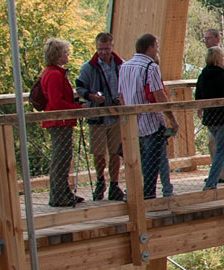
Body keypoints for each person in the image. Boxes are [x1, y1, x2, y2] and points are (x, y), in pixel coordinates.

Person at [118, 33, 176, 199]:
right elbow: (159, 95)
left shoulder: (124, 67)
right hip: (150, 122)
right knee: (153, 162)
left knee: (138, 160)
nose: (157, 50)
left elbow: (121, 96)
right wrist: (171, 118)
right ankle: (148, 195)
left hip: (132, 124)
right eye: (156, 46)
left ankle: (134, 192)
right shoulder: (151, 67)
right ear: (149, 48)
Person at [75, 32, 126, 202]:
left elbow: (126, 85)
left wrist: (122, 97)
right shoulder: (88, 67)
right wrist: (91, 97)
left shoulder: (120, 65)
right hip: (97, 116)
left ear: (112, 46)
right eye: (100, 49)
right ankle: (100, 180)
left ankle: (114, 184)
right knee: (98, 153)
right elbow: (80, 88)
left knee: (115, 152)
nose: (103, 53)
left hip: (115, 115)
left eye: (106, 49)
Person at [37, 38, 85, 207]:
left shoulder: (51, 72)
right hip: (58, 122)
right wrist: (76, 108)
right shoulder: (54, 75)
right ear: (58, 57)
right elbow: (56, 102)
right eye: (65, 53)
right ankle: (58, 195)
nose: (67, 55)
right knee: (61, 159)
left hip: (60, 121)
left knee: (64, 158)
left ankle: (64, 192)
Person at [195, 45, 224, 190]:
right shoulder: (223, 76)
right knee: (221, 151)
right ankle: (210, 184)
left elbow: (198, 96)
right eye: (222, 57)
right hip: (223, 118)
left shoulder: (202, 76)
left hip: (210, 118)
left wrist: (200, 109)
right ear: (218, 59)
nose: (223, 59)